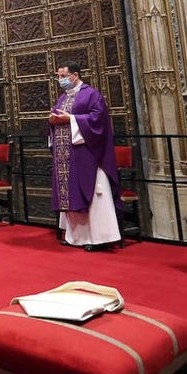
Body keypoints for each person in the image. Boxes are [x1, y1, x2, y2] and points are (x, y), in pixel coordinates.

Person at [48, 63, 122, 250]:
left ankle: (99, 238)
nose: (60, 79)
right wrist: (53, 121)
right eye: (58, 76)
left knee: (93, 195)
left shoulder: (91, 94)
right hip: (68, 156)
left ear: (75, 75)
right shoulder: (64, 98)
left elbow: (99, 121)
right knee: (71, 192)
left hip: (88, 156)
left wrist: (71, 119)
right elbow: (59, 118)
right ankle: (76, 237)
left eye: (63, 75)